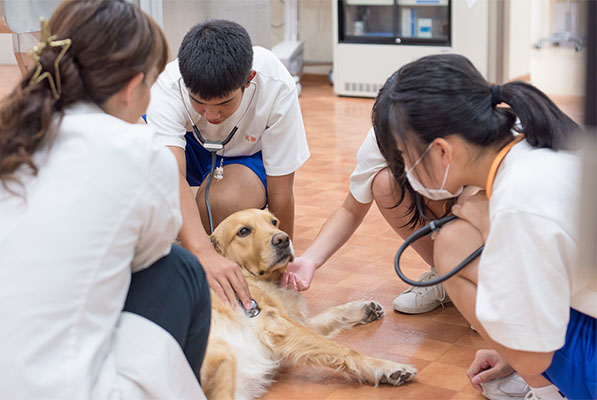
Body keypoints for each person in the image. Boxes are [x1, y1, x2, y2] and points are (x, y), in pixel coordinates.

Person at [0, 0, 211, 398]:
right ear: (133, 88)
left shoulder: (12, 134)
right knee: (180, 269)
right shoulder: (140, 150)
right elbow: (150, 253)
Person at [373, 53, 595, 400]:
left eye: (404, 155)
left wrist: (517, 348)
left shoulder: (518, 201)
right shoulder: (531, 141)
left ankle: (551, 394)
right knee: (457, 240)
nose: (404, 169)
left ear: (443, 151)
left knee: (451, 246)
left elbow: (534, 355)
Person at [145, 19, 310, 310]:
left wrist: (281, 262)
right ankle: (201, 269)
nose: (212, 115)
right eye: (198, 103)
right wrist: (201, 250)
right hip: (190, 148)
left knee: (221, 202)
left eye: (224, 103)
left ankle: (226, 278)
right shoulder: (168, 87)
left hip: (246, 155)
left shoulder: (276, 85)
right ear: (184, 81)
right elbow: (172, 177)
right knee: (149, 195)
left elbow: (282, 192)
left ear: (249, 78)